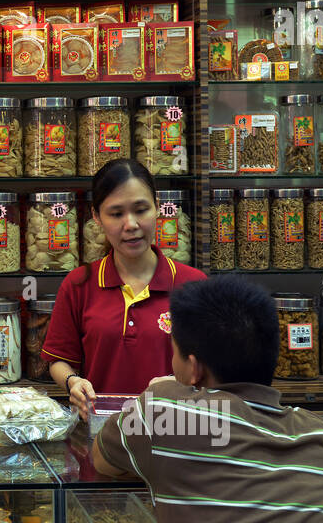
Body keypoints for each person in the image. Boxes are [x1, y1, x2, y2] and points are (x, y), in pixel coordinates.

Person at [91, 275, 323, 523]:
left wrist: (164, 394)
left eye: (173, 351)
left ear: (193, 368)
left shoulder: (164, 412)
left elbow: (101, 460)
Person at [43, 159, 206, 405]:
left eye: (141, 210)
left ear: (158, 207)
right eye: (116, 214)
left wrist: (180, 385)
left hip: (174, 430)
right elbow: (59, 359)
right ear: (96, 217)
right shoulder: (79, 284)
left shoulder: (194, 285)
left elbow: (215, 369)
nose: (130, 225)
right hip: (101, 431)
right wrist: (73, 382)